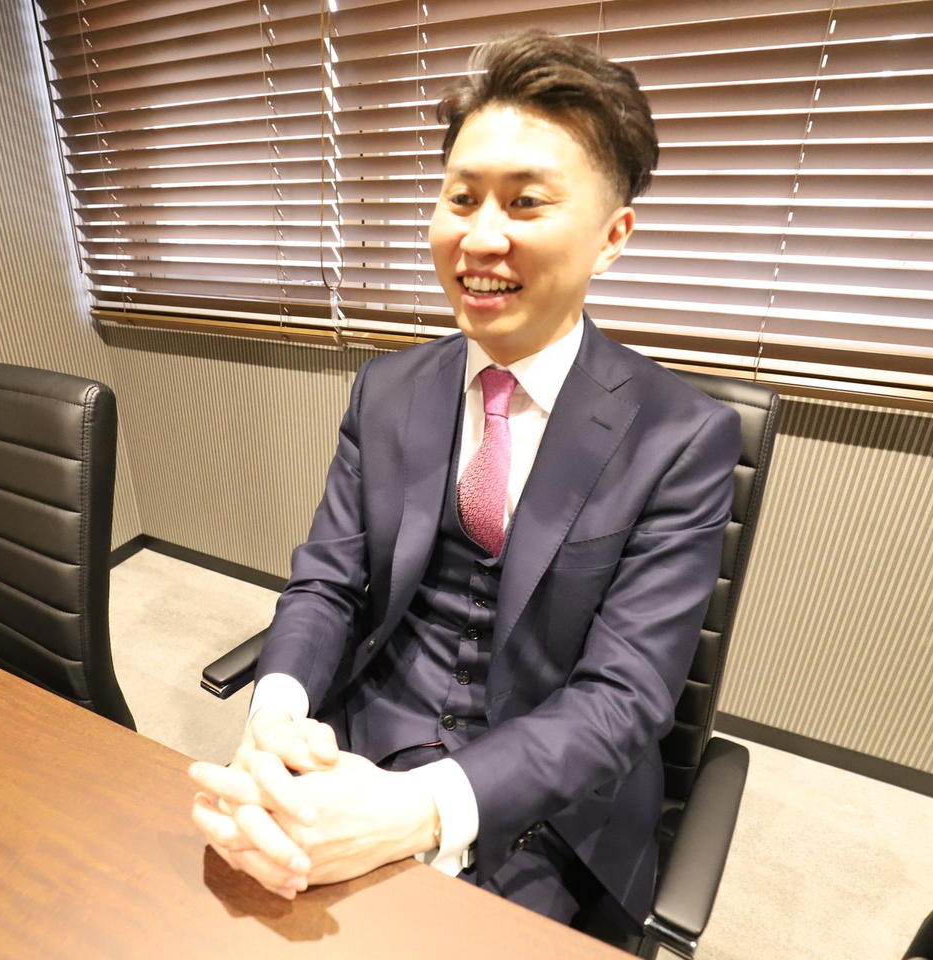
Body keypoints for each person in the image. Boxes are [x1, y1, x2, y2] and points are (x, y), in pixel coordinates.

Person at [189, 29, 740, 934]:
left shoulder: (682, 436)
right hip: (363, 733)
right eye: (461, 197)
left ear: (611, 237)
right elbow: (327, 583)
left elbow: (624, 697)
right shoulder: (389, 388)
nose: (481, 238)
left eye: (525, 203)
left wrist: (418, 811)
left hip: (546, 801)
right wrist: (278, 714)